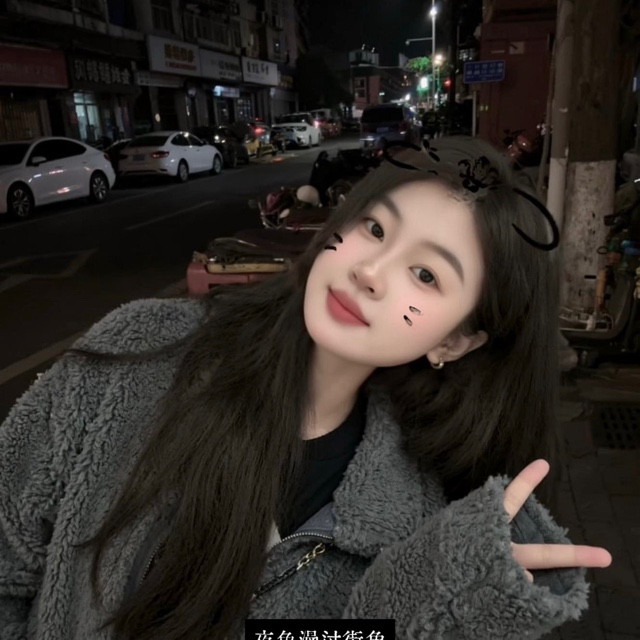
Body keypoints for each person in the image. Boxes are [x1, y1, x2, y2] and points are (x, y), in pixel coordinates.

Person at [0, 138, 612, 640]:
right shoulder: (137, 352)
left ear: (455, 342)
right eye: (375, 227)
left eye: (425, 274)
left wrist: (427, 599)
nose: (369, 272)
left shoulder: (413, 519)